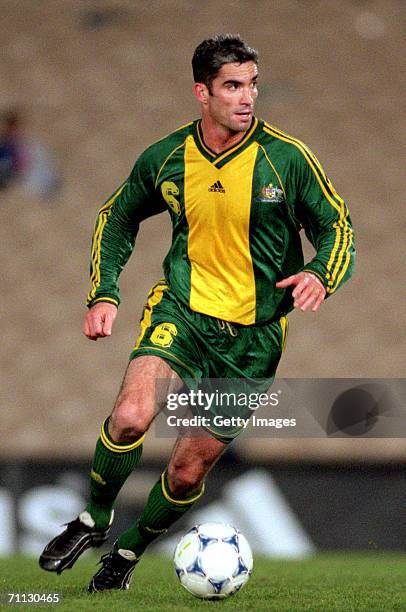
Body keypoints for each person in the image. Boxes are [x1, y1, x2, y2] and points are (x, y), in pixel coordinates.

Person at [39, 34, 355, 592]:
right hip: (182, 313)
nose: (247, 96)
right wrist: (104, 291)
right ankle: (93, 518)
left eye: (252, 84)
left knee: (186, 472)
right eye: (233, 85)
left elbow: (338, 226)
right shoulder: (166, 157)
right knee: (132, 415)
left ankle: (128, 554)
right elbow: (117, 216)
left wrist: (320, 273)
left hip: (252, 339)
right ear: (202, 92)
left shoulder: (287, 159)